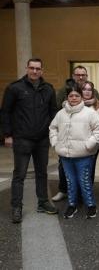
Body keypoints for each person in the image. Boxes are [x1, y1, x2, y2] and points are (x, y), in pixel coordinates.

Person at [2, 58, 58, 223]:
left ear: (42, 70)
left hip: (42, 139)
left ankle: (43, 202)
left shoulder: (48, 89)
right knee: (19, 174)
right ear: (27, 69)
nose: (34, 71)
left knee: (42, 172)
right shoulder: (15, 88)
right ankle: (16, 207)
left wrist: (52, 132)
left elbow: (53, 111)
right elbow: (5, 112)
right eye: (32, 68)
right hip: (22, 139)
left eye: (38, 68)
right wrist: (7, 135)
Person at [49, 85, 99, 219]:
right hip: (65, 156)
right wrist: (55, 142)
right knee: (70, 181)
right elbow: (53, 128)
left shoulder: (89, 113)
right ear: (67, 97)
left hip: (83, 155)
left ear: (81, 97)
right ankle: (72, 205)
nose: (74, 98)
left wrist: (89, 145)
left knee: (84, 181)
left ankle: (90, 206)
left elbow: (98, 129)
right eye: (71, 96)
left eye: (77, 96)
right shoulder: (61, 113)